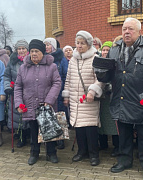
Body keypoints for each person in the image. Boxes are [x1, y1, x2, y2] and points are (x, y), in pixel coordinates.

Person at [96, 17, 143, 179]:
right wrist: (100, 71)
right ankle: (125, 160)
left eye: (131, 29)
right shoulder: (114, 49)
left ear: (139, 31)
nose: (127, 32)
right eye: (124, 29)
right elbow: (108, 77)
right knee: (124, 135)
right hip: (121, 99)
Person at [14, 39, 61, 165]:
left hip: (46, 105)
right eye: (32, 51)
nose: (34, 54)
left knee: (49, 129)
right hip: (30, 104)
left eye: (37, 51)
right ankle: (34, 152)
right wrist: (19, 103)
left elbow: (57, 83)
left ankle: (51, 153)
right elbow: (18, 86)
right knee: (34, 130)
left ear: (43, 53)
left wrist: (49, 100)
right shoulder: (23, 68)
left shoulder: (52, 67)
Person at [62, 30, 104, 166]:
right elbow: (68, 79)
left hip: (89, 99)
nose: (79, 46)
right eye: (77, 43)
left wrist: (93, 91)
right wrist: (66, 95)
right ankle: (82, 151)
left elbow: (100, 79)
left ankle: (94, 154)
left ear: (89, 44)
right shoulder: (73, 60)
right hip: (75, 99)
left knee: (90, 128)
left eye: (82, 44)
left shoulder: (95, 58)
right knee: (78, 128)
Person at [3, 40, 30, 148]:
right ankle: (21, 136)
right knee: (18, 115)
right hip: (16, 92)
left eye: (23, 48)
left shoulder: (31, 60)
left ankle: (30, 134)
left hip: (29, 92)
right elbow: (6, 76)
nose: (21, 51)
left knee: (29, 114)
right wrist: (7, 86)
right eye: (19, 49)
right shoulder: (12, 61)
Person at [43, 37, 68, 150]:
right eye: (45, 45)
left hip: (59, 90)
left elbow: (65, 75)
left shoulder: (61, 59)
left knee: (59, 115)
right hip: (46, 92)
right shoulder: (42, 58)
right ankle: (49, 137)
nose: (46, 47)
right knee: (48, 115)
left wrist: (63, 91)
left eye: (48, 45)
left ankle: (61, 138)